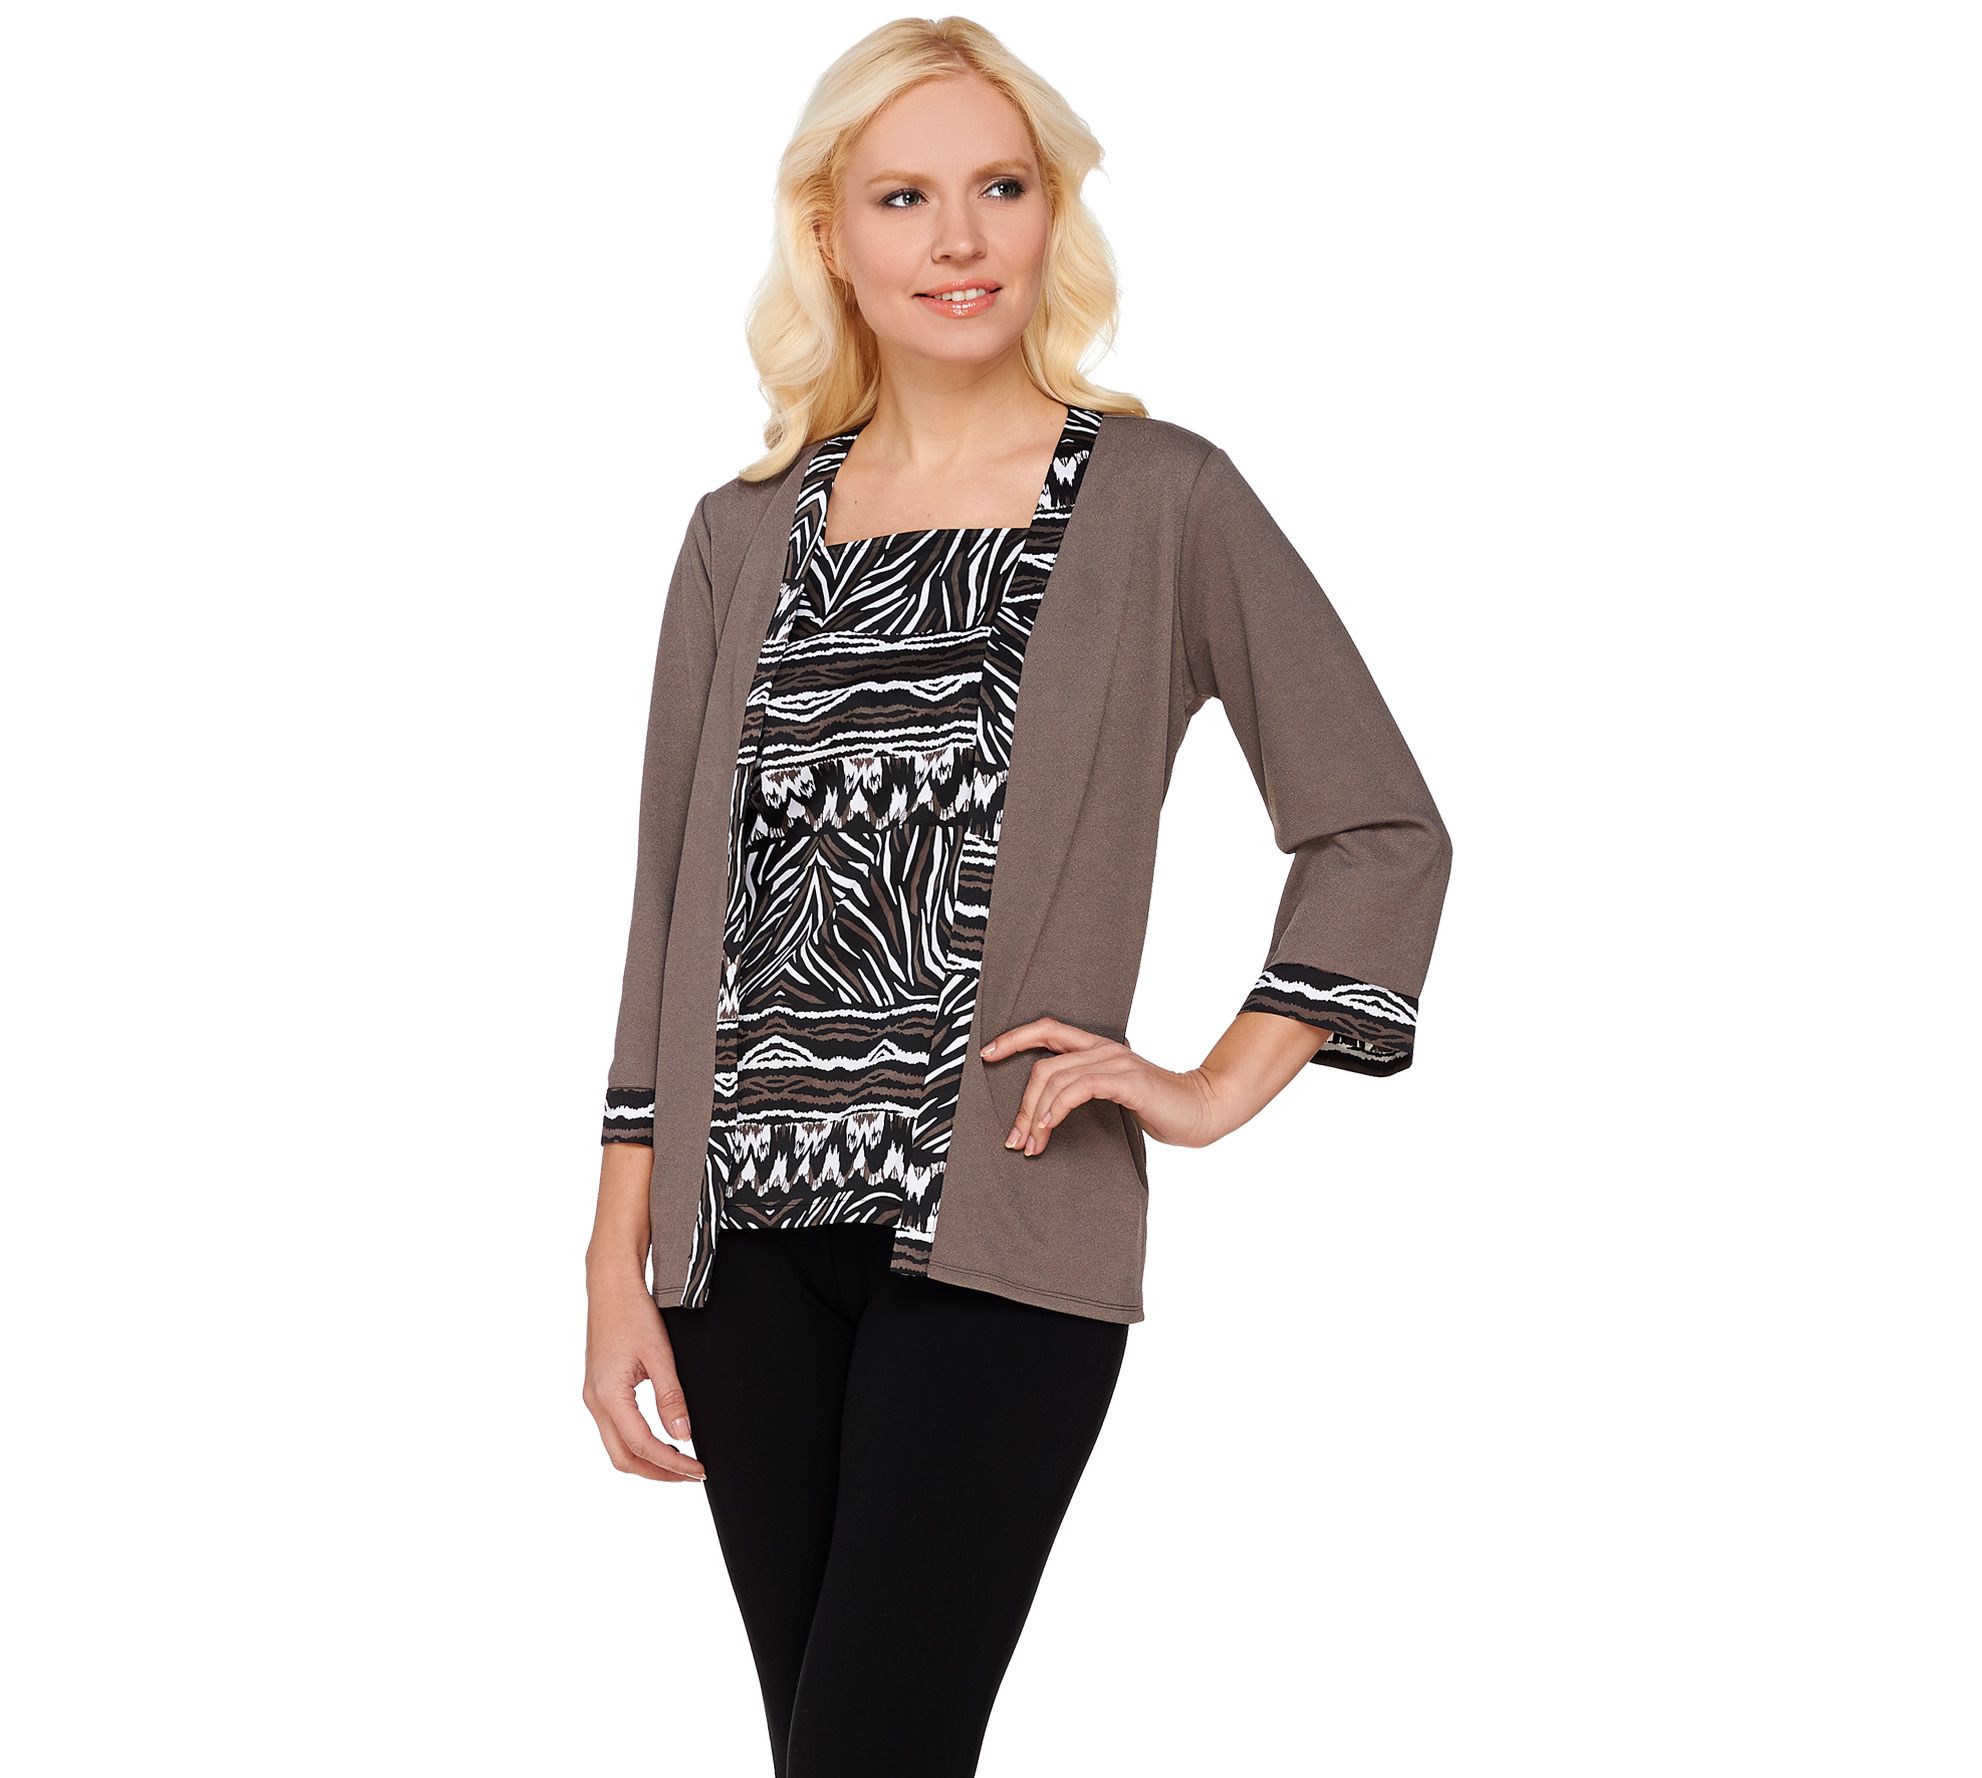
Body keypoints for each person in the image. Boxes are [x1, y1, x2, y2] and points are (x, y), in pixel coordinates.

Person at [582, 18, 1453, 1777]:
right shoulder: (741, 533)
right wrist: (618, 1261)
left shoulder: (1162, 500)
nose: (959, 239)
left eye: (1000, 186)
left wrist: (1210, 1083)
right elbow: (672, 902)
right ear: (829, 233)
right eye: (904, 197)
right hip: (743, 1256)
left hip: (1000, 1236)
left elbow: (1378, 824)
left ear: (1054, 212)